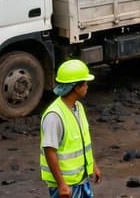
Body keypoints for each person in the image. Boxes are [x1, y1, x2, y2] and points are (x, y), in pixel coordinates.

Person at [41, 59, 102, 198]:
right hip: (66, 186)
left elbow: (82, 142)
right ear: (76, 87)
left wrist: (93, 166)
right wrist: (62, 184)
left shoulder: (78, 108)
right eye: (85, 83)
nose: (87, 86)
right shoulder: (54, 116)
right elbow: (49, 152)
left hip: (81, 180)